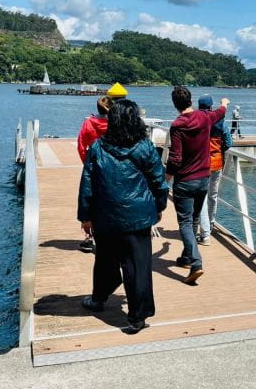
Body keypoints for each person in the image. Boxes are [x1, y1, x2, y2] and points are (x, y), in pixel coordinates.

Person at [77, 99, 169, 334]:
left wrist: (85, 216)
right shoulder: (144, 147)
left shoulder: (98, 147)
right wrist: (159, 206)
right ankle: (137, 317)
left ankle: (99, 299)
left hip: (105, 214)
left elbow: (87, 183)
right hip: (137, 216)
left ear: (112, 120)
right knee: (137, 267)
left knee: (105, 260)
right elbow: (158, 181)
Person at [166, 86, 228, 283]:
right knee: (193, 220)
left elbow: (175, 158)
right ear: (190, 100)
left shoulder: (178, 125)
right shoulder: (204, 117)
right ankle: (186, 258)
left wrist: (164, 180)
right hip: (203, 179)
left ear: (175, 104)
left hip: (185, 181)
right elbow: (219, 113)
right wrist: (224, 104)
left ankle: (195, 263)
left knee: (185, 222)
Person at [76, 95, 114, 252]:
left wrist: (86, 162)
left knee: (90, 199)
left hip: (94, 165)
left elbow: (80, 145)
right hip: (112, 166)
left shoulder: (89, 123)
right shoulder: (114, 124)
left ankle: (90, 236)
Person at [195, 95, 234, 246]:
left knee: (202, 196)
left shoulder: (197, 121)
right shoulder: (221, 122)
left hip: (201, 163)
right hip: (216, 163)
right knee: (213, 195)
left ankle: (202, 228)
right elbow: (229, 142)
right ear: (211, 107)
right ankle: (210, 224)